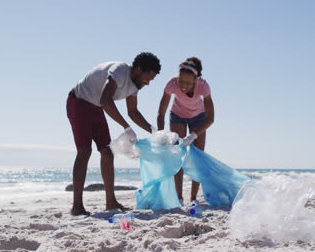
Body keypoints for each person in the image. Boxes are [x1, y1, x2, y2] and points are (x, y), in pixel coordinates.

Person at [66, 52, 161, 215]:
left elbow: (133, 111)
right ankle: (77, 206)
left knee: (107, 153)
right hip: (79, 102)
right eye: (147, 78)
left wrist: (155, 132)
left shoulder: (134, 86)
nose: (148, 83)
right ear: (138, 69)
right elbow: (105, 100)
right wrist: (126, 128)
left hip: (96, 107)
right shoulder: (119, 71)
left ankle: (111, 202)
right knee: (84, 151)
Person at [156, 57, 214, 206]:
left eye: (188, 83)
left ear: (196, 80)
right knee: (177, 156)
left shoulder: (203, 86)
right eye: (181, 81)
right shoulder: (171, 84)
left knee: (197, 158)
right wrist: (161, 134)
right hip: (177, 116)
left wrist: (194, 135)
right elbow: (161, 113)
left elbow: (211, 118)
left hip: (198, 117)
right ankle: (179, 198)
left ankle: (193, 199)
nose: (183, 86)